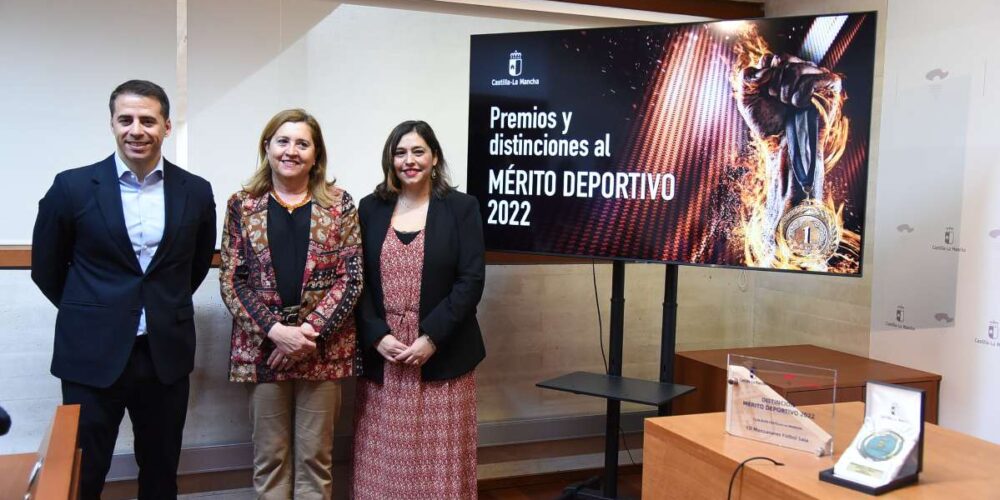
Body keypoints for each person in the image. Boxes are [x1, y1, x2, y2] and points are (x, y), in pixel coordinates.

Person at [31, 80, 216, 499]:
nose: (137, 129)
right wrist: (94, 310)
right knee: (84, 470)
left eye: (148, 120)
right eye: (126, 119)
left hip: (163, 355)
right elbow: (46, 268)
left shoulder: (196, 192)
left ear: (167, 127)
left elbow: (195, 265)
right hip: (91, 356)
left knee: (161, 469)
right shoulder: (72, 187)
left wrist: (158, 306)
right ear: (112, 124)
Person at [219, 109, 362, 499]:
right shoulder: (241, 205)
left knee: (316, 461)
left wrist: (304, 336)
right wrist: (276, 333)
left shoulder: (339, 205)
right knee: (270, 461)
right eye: (283, 141)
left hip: (323, 351)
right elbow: (233, 280)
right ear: (267, 147)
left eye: (303, 143)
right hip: (263, 352)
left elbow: (350, 278)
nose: (291, 151)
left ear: (316, 154)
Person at [352, 120, 486, 499]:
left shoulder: (461, 208)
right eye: (400, 153)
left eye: (417, 151)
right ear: (390, 160)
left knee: (439, 462)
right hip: (386, 357)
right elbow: (357, 282)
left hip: (442, 356)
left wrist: (432, 338)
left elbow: (471, 280)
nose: (408, 160)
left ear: (434, 157)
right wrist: (376, 335)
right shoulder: (370, 208)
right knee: (385, 461)